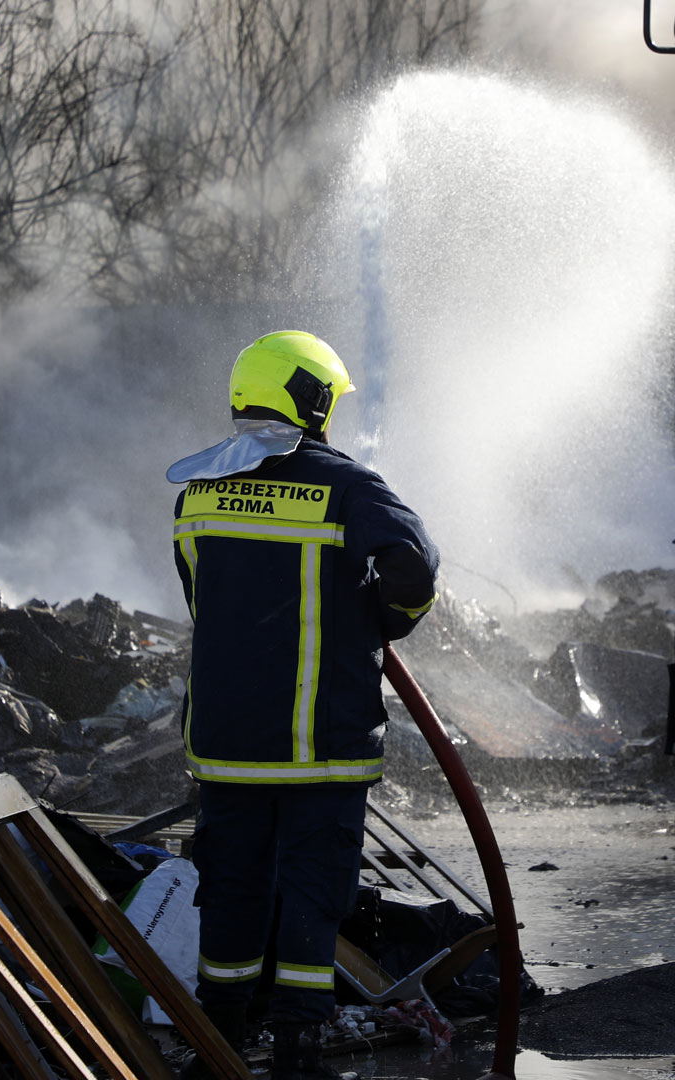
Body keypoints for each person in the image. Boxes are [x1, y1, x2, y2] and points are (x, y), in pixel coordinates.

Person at [167, 331, 438, 1080]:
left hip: (227, 741)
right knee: (315, 891)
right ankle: (296, 1049)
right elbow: (412, 569)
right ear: (313, 402)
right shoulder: (348, 488)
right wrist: (381, 620)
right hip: (320, 740)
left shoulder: (197, 491)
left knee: (231, 885)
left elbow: (202, 598)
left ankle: (218, 1041)